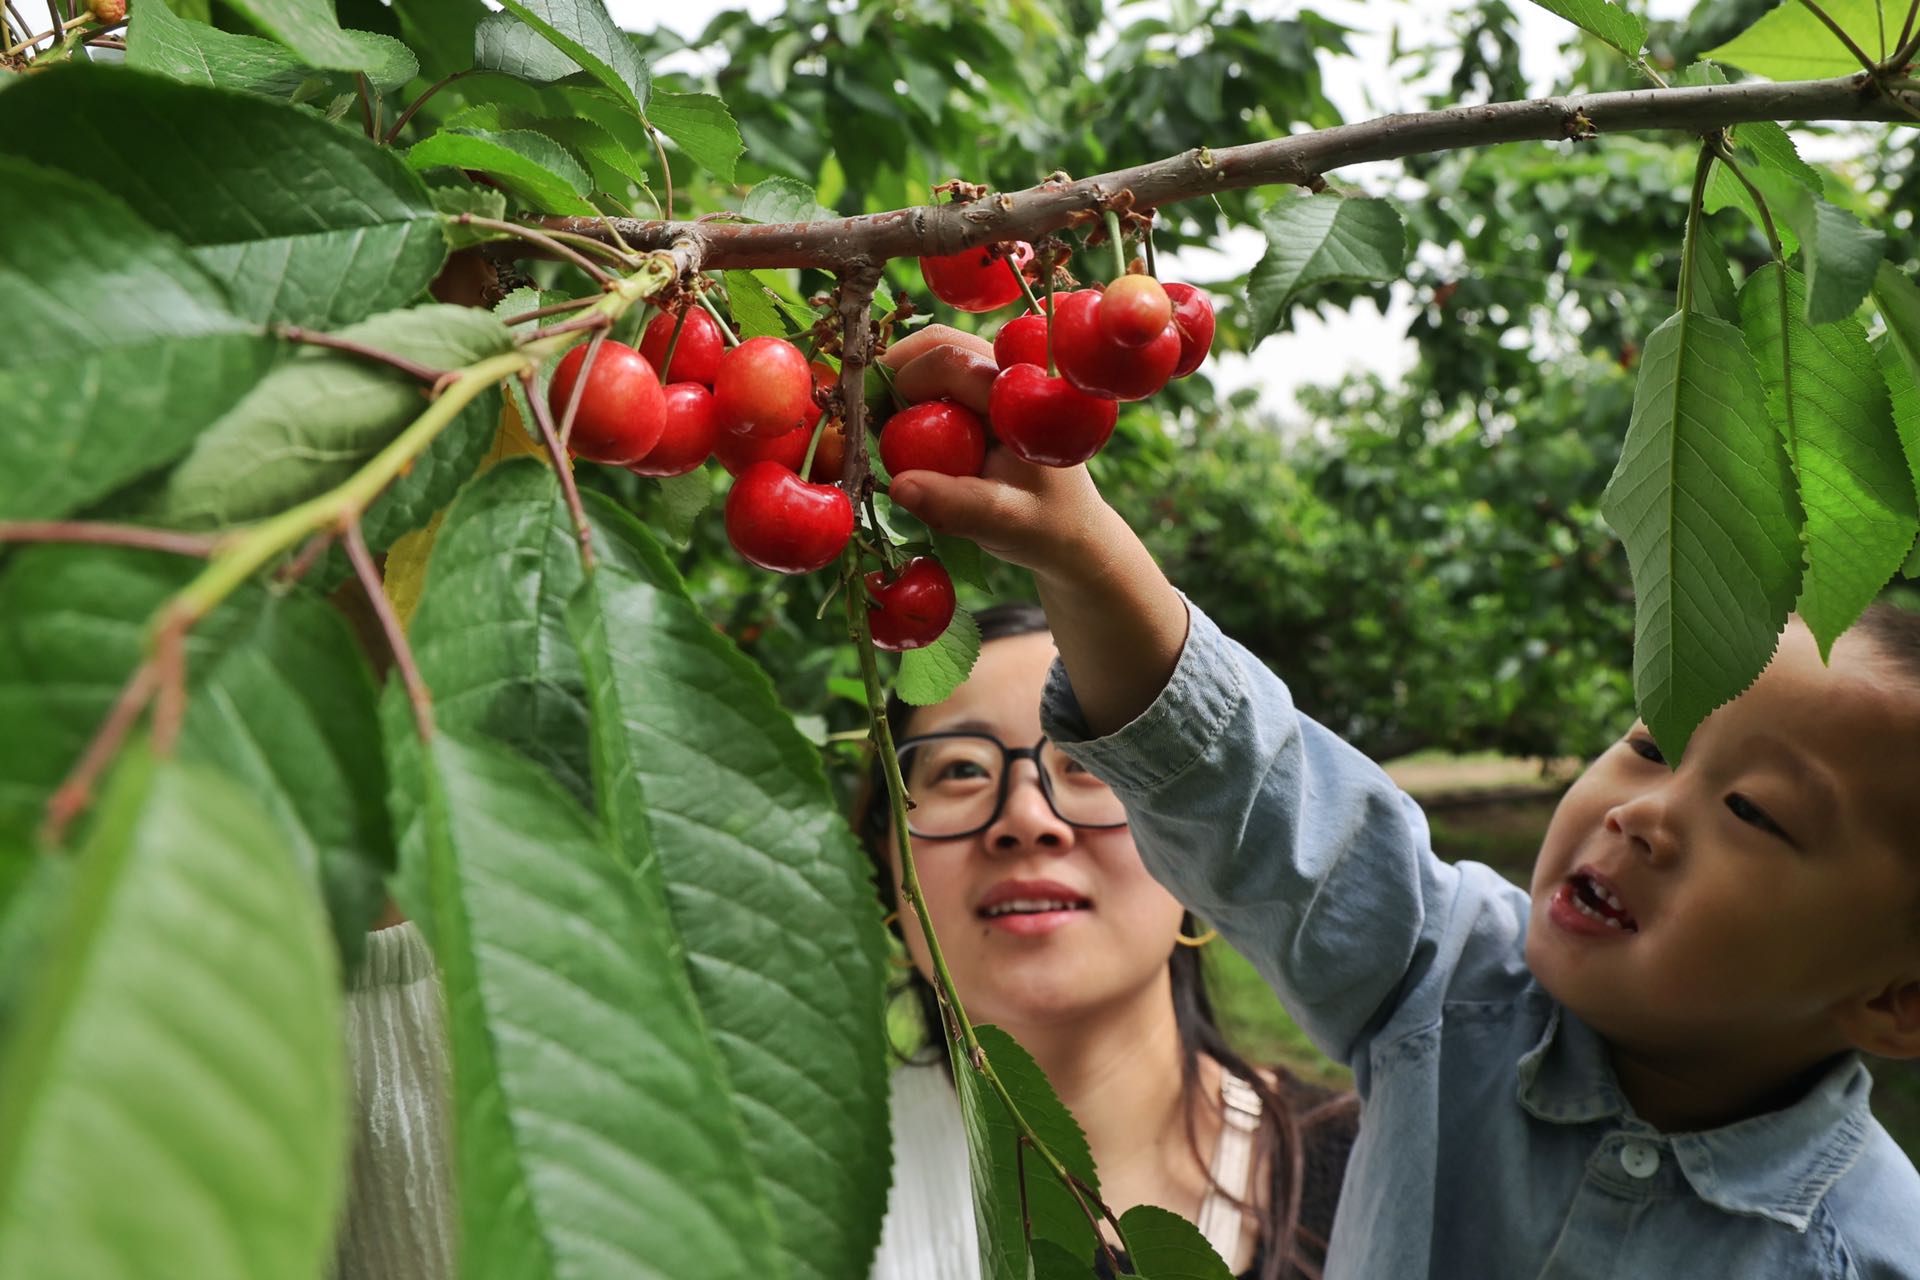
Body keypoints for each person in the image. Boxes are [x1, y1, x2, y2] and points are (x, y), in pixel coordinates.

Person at [878, 323, 1920, 1277]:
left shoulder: (1876, 1251)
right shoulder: (1449, 978)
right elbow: (1256, 792)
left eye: (1755, 811)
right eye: (1652, 743)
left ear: (1896, 998)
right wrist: (1083, 548)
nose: (1643, 813)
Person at [863, 602, 1358, 1280]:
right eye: (960, 770)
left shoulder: (1375, 1180)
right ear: (886, 860)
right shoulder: (790, 1195)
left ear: (1194, 847)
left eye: (1089, 766)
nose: (1026, 818)